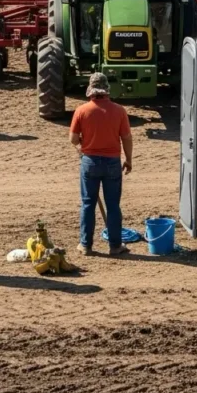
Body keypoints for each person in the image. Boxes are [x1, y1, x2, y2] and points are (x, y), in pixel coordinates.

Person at [69, 73, 133, 257]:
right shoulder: (119, 111)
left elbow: (73, 139)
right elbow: (126, 138)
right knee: (113, 205)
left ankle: (85, 245)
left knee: (88, 204)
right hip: (112, 163)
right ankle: (115, 246)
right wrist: (128, 159)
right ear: (106, 90)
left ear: (91, 90)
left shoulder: (81, 111)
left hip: (89, 162)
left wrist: (83, 142)